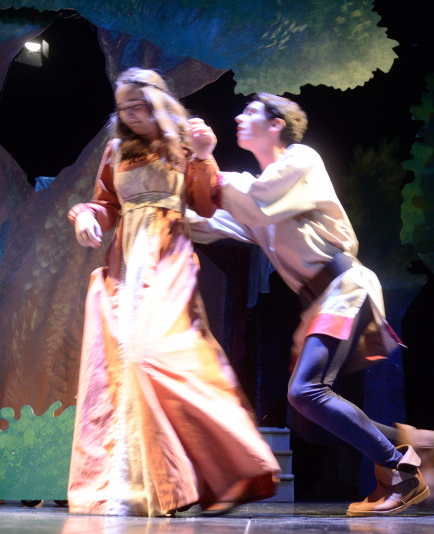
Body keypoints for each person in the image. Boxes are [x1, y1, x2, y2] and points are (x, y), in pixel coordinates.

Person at [188, 93, 434, 516]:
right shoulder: (260, 189)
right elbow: (211, 220)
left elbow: (257, 201)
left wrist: (205, 161)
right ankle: (413, 441)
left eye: (251, 111)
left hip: (343, 286)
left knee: (306, 391)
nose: (238, 116)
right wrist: (155, 207)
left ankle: (403, 471)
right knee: (307, 416)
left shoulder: (300, 161)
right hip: (318, 301)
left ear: (276, 124)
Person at [67, 69, 280, 517]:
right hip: (125, 264)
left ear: (158, 103)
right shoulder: (116, 150)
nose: (131, 115)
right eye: (124, 108)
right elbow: (106, 204)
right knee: (122, 365)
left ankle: (230, 466)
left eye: (139, 106)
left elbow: (204, 204)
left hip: (169, 257)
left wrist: (203, 156)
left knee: (161, 355)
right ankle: (135, 487)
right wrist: (87, 215)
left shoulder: (184, 142)